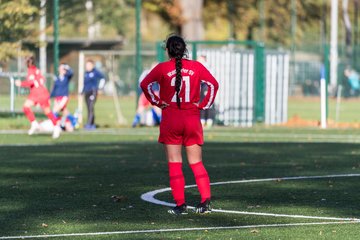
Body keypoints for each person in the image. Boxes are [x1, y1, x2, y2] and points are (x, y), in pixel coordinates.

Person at [140, 35, 219, 215]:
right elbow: (213, 84)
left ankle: (180, 205)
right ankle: (205, 202)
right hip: (191, 118)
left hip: (171, 119)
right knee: (196, 163)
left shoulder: (162, 68)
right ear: (185, 50)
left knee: (175, 163)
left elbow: (145, 85)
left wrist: (158, 102)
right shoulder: (196, 66)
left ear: (167, 50)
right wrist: (203, 104)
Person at [15, 56, 61, 138]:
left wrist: (20, 83)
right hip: (41, 92)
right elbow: (42, 79)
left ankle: (55, 126)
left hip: (38, 93)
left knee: (44, 111)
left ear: (28, 63)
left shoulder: (31, 70)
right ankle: (35, 124)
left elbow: (31, 82)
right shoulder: (36, 70)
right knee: (28, 107)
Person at [132, 62, 161, 127]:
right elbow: (141, 83)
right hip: (148, 93)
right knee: (142, 107)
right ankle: (135, 122)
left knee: (155, 108)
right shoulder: (147, 73)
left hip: (150, 93)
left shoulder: (156, 74)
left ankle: (135, 122)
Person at [82, 59, 105, 130]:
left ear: (92, 65)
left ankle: (89, 124)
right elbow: (85, 84)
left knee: (91, 107)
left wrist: (100, 88)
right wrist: (82, 91)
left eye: (88, 65)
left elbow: (103, 78)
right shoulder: (86, 73)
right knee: (88, 108)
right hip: (87, 92)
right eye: (86, 65)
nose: (87, 67)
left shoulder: (95, 72)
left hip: (93, 92)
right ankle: (91, 124)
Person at [50, 63, 73, 129]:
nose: (61, 70)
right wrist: (50, 97)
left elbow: (71, 73)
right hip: (57, 97)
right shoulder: (57, 79)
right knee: (64, 111)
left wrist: (67, 67)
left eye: (63, 69)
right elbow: (54, 89)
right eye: (60, 68)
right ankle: (73, 120)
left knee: (55, 110)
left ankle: (53, 124)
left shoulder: (67, 77)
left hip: (64, 97)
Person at [197, 55, 216, 128]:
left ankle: (208, 121)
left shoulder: (206, 66)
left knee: (206, 103)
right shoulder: (199, 66)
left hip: (206, 85)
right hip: (201, 86)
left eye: (200, 59)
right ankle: (203, 121)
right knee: (201, 103)